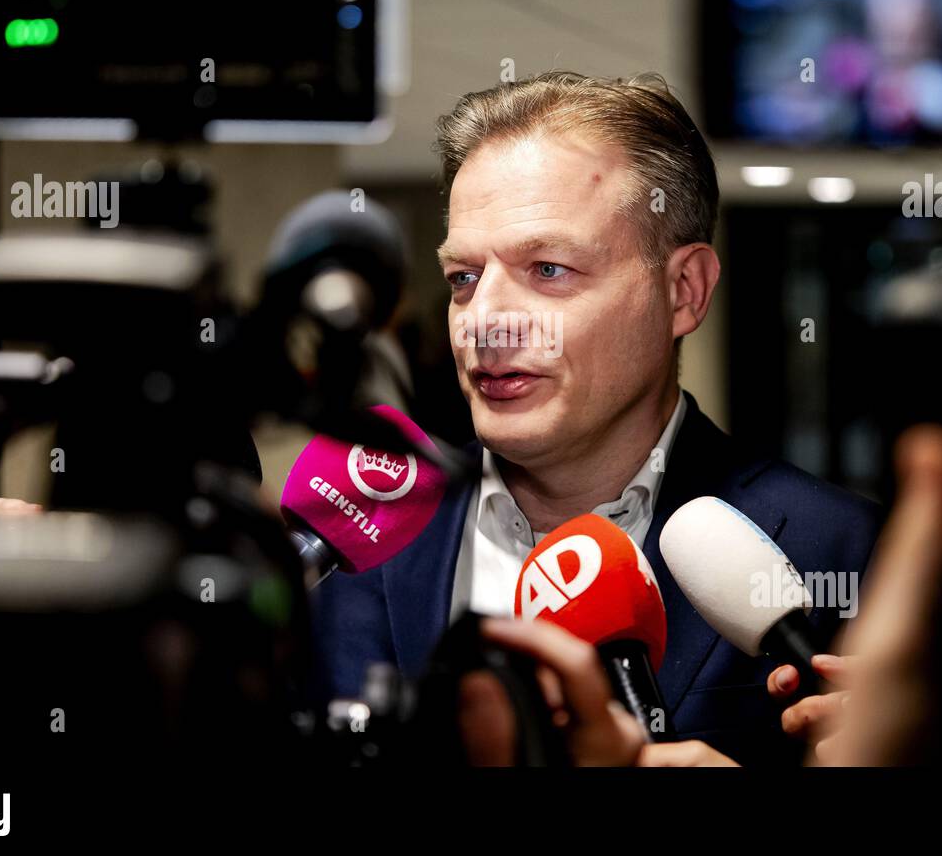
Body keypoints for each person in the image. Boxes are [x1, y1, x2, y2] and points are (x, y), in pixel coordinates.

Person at [310, 72, 881, 765]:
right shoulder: (359, 544)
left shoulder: (846, 557)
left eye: (548, 269)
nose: (484, 322)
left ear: (684, 292)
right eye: (464, 277)